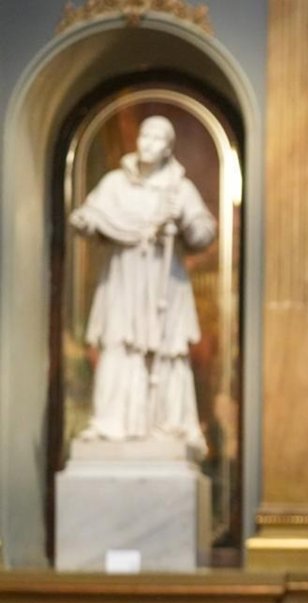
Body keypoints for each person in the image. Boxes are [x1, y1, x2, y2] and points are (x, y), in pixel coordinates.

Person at [69, 115, 215, 452]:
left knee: (167, 350)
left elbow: (204, 232)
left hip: (164, 282)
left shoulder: (179, 189)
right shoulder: (115, 184)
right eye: (144, 136)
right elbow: (92, 215)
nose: (148, 144)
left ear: (168, 148)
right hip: (124, 279)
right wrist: (86, 222)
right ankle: (110, 422)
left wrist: (183, 220)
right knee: (119, 343)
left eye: (157, 139)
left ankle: (170, 423)